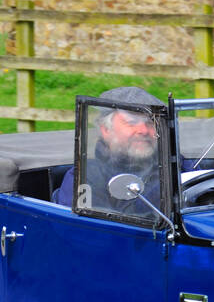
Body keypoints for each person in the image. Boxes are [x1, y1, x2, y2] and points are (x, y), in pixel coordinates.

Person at [53, 86, 164, 215]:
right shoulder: (84, 179)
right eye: (132, 123)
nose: (143, 130)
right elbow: (95, 231)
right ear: (106, 130)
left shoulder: (174, 165)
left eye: (150, 122)